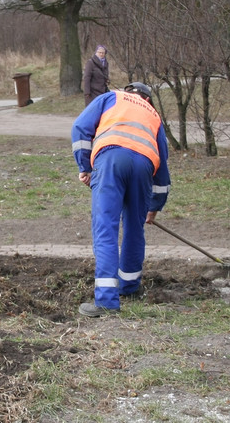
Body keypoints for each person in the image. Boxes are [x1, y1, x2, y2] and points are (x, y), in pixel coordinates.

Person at [70, 81, 171, 317]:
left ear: (129, 93)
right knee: (135, 229)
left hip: (111, 158)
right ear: (148, 100)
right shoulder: (154, 117)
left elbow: (80, 128)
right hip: (145, 166)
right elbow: (163, 169)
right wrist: (154, 206)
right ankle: (129, 286)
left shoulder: (111, 97)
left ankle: (106, 300)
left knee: (106, 228)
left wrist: (85, 166)